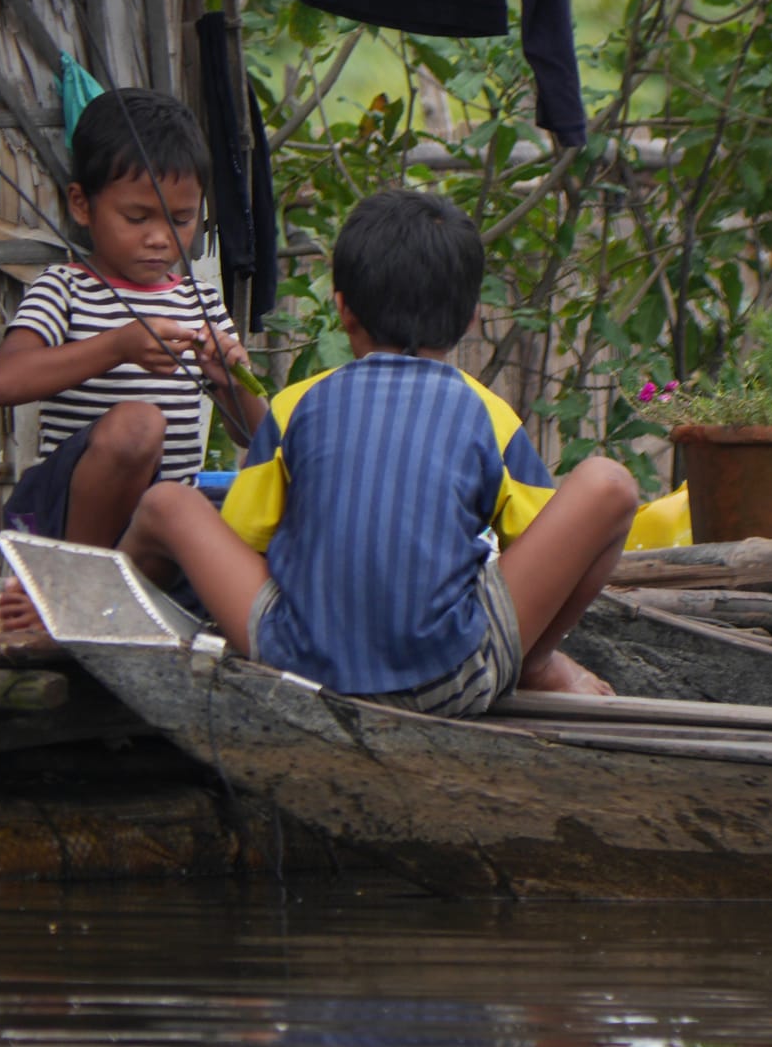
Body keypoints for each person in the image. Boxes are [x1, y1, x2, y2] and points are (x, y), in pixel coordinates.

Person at [118, 188, 637, 715]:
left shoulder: (294, 405)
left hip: (297, 669)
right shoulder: (489, 415)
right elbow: (539, 543)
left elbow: (243, 539)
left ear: (342, 309)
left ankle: (96, 622)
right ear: (472, 319)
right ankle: (538, 662)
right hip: (452, 682)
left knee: (169, 504)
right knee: (609, 484)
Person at [0, 88, 268, 630]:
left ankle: (109, 600)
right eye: (137, 217)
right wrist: (116, 345)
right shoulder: (65, 289)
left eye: (182, 220)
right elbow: (6, 381)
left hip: (154, 539)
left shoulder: (202, 301)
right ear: (82, 204)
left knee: (209, 514)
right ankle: (71, 591)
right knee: (139, 423)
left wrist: (229, 379)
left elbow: (256, 437)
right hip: (67, 522)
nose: (161, 239)